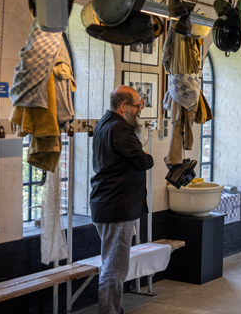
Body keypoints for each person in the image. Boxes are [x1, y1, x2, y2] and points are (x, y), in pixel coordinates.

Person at [90, 86, 154, 314]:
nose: (140, 110)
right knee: (114, 268)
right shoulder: (121, 129)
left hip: (108, 204)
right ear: (124, 106)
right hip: (117, 206)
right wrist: (147, 157)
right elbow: (142, 161)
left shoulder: (103, 124)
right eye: (138, 106)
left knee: (112, 265)